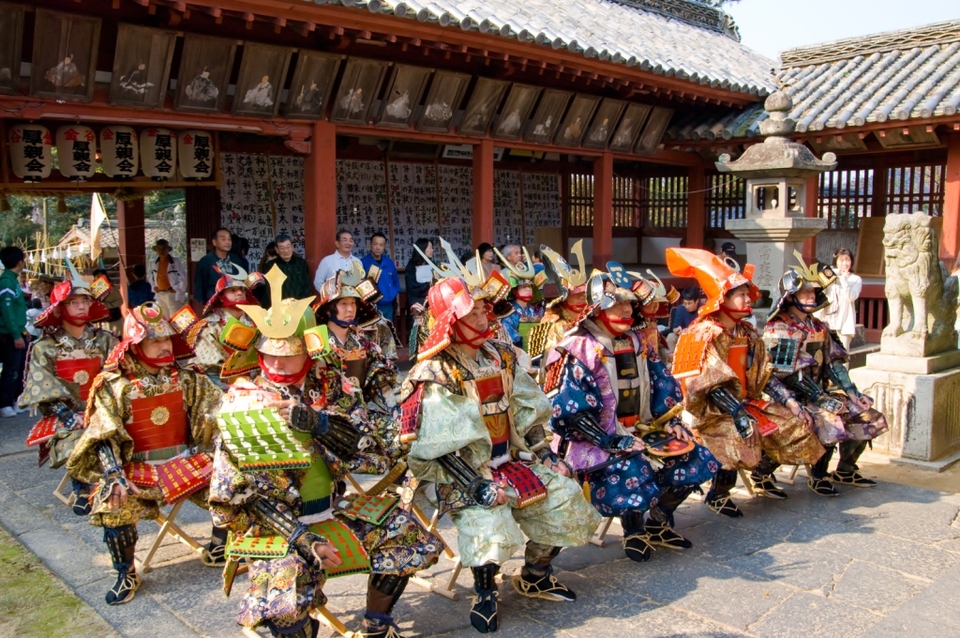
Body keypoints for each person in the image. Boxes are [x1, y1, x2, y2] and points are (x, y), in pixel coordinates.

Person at [209, 267, 442, 638]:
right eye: (268, 355)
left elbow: (370, 445)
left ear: (310, 350)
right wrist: (303, 539)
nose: (275, 365)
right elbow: (240, 495)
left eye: (287, 355)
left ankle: (376, 625)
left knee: (407, 533)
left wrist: (319, 424)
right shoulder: (243, 401)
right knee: (284, 607)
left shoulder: (335, 385)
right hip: (278, 525)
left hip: (332, 507)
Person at [402, 273, 600, 634]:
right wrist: (476, 483)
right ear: (450, 321)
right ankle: (484, 592)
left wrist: (547, 454)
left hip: (514, 459)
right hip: (460, 473)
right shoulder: (434, 372)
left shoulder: (503, 355)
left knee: (567, 501)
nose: (482, 321)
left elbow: (529, 410)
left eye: (484, 311)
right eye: (471, 314)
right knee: (489, 524)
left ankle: (535, 574)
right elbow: (434, 445)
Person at [544, 268, 717, 563]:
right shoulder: (575, 349)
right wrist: (610, 441)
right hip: (590, 441)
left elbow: (661, 383)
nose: (627, 310)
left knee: (696, 458)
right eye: (618, 304)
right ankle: (633, 531)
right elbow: (567, 408)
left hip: (642, 428)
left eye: (630, 304)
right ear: (596, 309)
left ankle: (657, 523)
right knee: (634, 470)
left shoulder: (639, 342)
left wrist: (672, 422)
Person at [65, 303, 224, 605]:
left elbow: (216, 410)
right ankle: (126, 572)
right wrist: (113, 474)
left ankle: (220, 545)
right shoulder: (115, 386)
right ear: (136, 345)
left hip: (185, 462)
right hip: (137, 471)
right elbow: (102, 434)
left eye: (167, 339)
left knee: (237, 483)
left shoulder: (187, 377)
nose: (165, 346)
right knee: (113, 504)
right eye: (155, 341)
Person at [665, 248, 824, 517]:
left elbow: (765, 372)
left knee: (794, 425)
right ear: (721, 297)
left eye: (746, 293)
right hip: (708, 412)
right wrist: (737, 412)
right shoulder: (704, 333)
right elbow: (707, 384)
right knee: (739, 436)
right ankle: (719, 493)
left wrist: (790, 402)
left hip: (745, 403)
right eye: (739, 294)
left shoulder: (747, 332)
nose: (747, 298)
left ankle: (762, 476)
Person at [764, 254, 888, 494]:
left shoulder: (819, 326)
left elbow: (835, 362)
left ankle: (845, 469)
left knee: (869, 415)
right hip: (792, 397)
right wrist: (821, 398)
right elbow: (787, 375)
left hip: (821, 392)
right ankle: (817, 476)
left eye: (814, 292)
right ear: (791, 298)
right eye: (805, 293)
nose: (811, 296)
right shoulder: (780, 327)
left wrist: (852, 392)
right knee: (832, 420)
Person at [20, 270, 117, 514]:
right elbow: (41, 386)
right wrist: (66, 414)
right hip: (65, 414)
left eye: (85, 301)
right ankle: (82, 488)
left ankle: (116, 480)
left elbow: (119, 375)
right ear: (59, 308)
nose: (81, 306)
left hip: (103, 408)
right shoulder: (45, 347)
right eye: (73, 302)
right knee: (77, 439)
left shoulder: (105, 340)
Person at [173, 263, 261, 389]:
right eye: (232, 290)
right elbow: (208, 370)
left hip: (255, 381)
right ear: (220, 297)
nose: (239, 293)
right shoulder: (208, 326)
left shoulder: (255, 321)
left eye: (242, 290)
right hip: (220, 385)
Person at [529, 241, 588, 368]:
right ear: (565, 297)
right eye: (576, 295)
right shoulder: (554, 323)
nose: (581, 299)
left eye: (584, 295)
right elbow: (550, 356)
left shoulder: (590, 317)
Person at [497, 246, 546, 350]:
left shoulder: (535, 310)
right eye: (524, 287)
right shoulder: (508, 313)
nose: (528, 289)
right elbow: (511, 337)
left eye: (529, 286)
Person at [0, 246, 28, 418]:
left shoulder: (13, 280)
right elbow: (7, 310)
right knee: (11, 369)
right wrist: (16, 334)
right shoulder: (6, 282)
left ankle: (15, 400)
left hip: (18, 331)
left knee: (19, 367)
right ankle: (4, 403)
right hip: (9, 334)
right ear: (20, 262)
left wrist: (23, 330)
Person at [817, 248, 862, 351]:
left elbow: (851, 297)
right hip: (828, 319)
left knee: (842, 353)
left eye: (847, 260)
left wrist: (844, 280)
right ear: (836, 261)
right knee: (825, 353)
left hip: (844, 321)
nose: (845, 263)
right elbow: (820, 294)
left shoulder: (855, 279)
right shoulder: (829, 277)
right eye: (841, 260)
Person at [257, 234, 313, 308]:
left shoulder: (301, 263)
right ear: (277, 250)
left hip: (300, 306)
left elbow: (306, 285)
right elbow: (270, 290)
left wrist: (300, 303)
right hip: (280, 307)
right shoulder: (270, 266)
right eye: (282, 248)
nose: (286, 251)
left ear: (292, 247)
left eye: (288, 247)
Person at [194, 228, 244, 308]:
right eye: (223, 239)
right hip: (214, 302)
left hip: (234, 302)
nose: (227, 242)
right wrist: (205, 303)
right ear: (214, 242)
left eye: (229, 239)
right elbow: (200, 284)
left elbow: (242, 280)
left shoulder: (236, 259)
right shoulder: (205, 261)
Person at [361, 232, 401, 322]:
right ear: (370, 245)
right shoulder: (363, 263)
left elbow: (396, 285)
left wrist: (397, 305)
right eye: (375, 244)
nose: (378, 247)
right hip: (371, 307)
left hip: (388, 306)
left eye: (381, 245)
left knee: (388, 333)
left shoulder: (389, 263)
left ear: (384, 247)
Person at [146, 239, 187, 318]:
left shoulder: (176, 262)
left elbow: (183, 277)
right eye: (159, 249)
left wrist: (176, 288)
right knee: (164, 319)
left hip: (172, 293)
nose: (161, 251)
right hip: (160, 294)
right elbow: (151, 277)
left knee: (175, 318)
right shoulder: (153, 263)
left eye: (164, 248)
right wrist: (154, 286)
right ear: (156, 250)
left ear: (168, 250)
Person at [666, 287, 701, 352]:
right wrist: (677, 330)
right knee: (671, 336)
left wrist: (690, 331)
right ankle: (672, 358)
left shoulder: (703, 309)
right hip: (683, 337)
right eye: (685, 303)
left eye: (689, 303)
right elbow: (674, 328)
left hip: (698, 337)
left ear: (697, 301)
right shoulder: (680, 309)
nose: (687, 306)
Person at [404, 238, 434, 312]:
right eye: (430, 248)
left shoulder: (433, 265)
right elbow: (413, 288)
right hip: (417, 305)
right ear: (423, 249)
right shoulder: (411, 267)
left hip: (431, 302)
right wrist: (429, 284)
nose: (432, 250)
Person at [92, 268, 124, 334]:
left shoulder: (113, 288)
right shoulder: (93, 290)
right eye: (97, 277)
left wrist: (107, 305)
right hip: (101, 321)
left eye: (102, 276)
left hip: (114, 318)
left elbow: (120, 301)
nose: (100, 278)